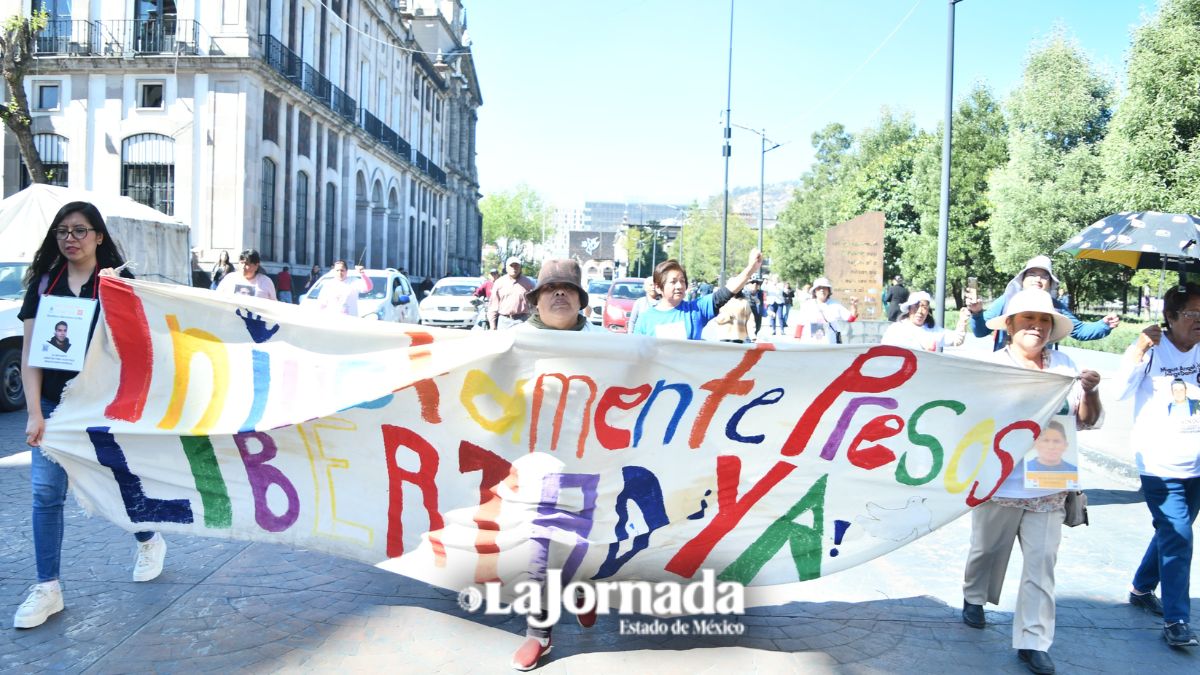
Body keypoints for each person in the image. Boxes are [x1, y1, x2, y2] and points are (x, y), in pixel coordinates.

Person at [13, 201, 168, 630]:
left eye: (80, 230)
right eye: (63, 231)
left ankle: (148, 537)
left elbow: (141, 349)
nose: (70, 239)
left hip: (101, 409)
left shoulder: (118, 284)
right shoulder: (45, 285)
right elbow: (30, 357)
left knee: (116, 485)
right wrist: (32, 413)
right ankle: (48, 588)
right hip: (52, 409)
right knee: (46, 496)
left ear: (99, 236)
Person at [960, 289, 1102, 675]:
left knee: (1042, 565)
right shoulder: (991, 368)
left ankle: (1033, 640)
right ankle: (974, 596)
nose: (1036, 327)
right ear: (1009, 325)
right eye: (1027, 320)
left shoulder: (1065, 365)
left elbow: (1086, 420)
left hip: (1049, 484)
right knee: (987, 551)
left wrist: (1089, 391)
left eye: (1043, 321)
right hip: (999, 483)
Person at [511, 258, 599, 669]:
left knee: (585, 540)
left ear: (581, 300)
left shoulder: (610, 346)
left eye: (567, 288)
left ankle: (582, 589)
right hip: (536, 463)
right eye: (550, 288)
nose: (559, 293)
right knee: (540, 543)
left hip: (594, 461)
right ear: (536, 301)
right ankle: (539, 633)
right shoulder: (511, 343)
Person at [1117, 284, 1200, 648]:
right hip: (1160, 462)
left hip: (1197, 460)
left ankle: (1141, 587)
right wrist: (1138, 349)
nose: (1199, 322)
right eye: (1192, 314)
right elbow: (1118, 391)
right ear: (1170, 316)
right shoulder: (1149, 349)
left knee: (1172, 531)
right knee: (1178, 535)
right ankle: (1177, 618)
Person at [967, 255, 1118, 350]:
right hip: (1007, 367)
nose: (1037, 280)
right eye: (1032, 274)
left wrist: (1104, 325)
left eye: (1044, 276)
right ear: (1023, 279)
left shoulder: (1055, 306)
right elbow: (981, 332)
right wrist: (976, 313)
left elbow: (1079, 331)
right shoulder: (1007, 300)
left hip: (1041, 371)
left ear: (1050, 283)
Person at [632, 248, 762, 340]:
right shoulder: (645, 319)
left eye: (682, 281)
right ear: (658, 287)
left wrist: (751, 269)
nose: (679, 286)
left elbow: (726, 292)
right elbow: (636, 357)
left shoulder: (695, 310)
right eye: (673, 282)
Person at [880, 291, 969, 352]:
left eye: (924, 307)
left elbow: (957, 340)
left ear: (928, 311)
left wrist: (963, 320)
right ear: (909, 309)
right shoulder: (896, 329)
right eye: (916, 307)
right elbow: (885, 352)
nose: (920, 311)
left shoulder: (934, 331)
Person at [794, 277, 858, 344]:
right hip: (811, 345)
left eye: (825, 288)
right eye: (819, 288)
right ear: (815, 291)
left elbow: (851, 318)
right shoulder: (807, 305)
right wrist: (797, 344)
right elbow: (800, 324)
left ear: (828, 291)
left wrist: (854, 306)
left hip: (831, 346)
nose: (822, 290)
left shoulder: (835, 305)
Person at [488, 257, 535, 330]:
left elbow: (534, 304)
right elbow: (493, 306)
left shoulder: (528, 283)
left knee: (522, 342)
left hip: (522, 321)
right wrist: (492, 325)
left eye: (516, 265)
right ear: (506, 268)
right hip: (504, 321)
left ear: (520, 267)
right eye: (511, 266)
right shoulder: (499, 282)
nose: (514, 268)